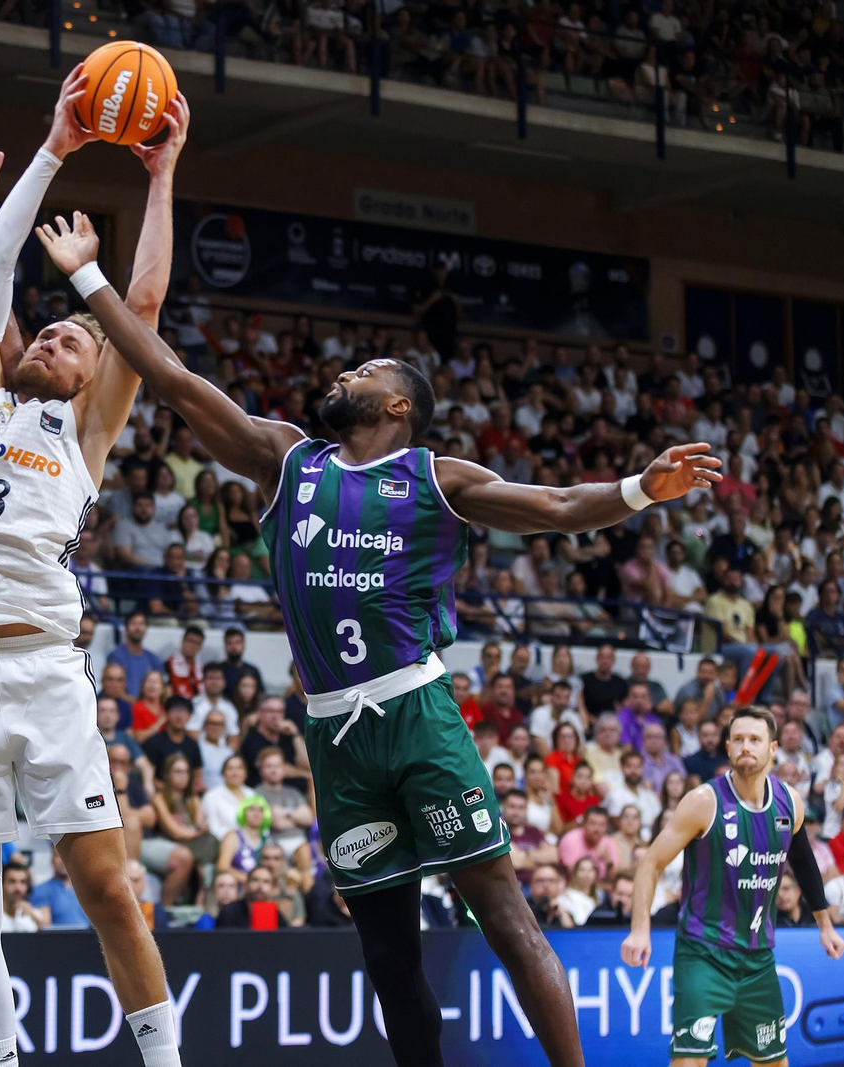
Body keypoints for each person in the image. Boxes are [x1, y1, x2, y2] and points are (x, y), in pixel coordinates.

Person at [44, 210, 726, 1067]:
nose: (342, 372)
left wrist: (637, 489)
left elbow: (553, 508)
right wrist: (87, 281)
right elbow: (175, 380)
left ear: (397, 404)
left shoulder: (436, 477)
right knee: (389, 957)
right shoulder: (286, 460)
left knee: (508, 921)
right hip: (335, 738)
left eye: (362, 370)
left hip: (419, 719)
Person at [0, 82, 191, 1067]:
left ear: (84, 378)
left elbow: (139, 308)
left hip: (41, 673)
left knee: (109, 886)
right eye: (53, 331)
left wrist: (160, 177)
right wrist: (55, 148)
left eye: (76, 339)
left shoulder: (85, 431)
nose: (62, 337)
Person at [623, 707, 844, 1065]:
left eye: (755, 739)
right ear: (727, 747)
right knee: (690, 1059)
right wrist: (639, 930)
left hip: (758, 958)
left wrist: (825, 926)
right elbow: (651, 862)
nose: (746, 746)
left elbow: (803, 862)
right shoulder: (703, 801)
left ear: (773, 749)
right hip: (704, 953)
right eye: (738, 739)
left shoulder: (790, 802)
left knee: (774, 1061)